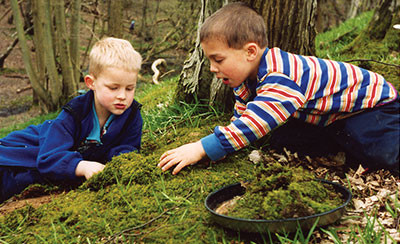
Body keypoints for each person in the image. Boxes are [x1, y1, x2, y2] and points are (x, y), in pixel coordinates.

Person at [158, 2, 399, 175]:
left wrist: (202, 148)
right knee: (282, 138)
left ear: (250, 51)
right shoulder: (244, 78)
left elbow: (253, 124)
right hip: (331, 116)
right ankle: (343, 141)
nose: (212, 68)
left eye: (218, 60)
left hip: (373, 106)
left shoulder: (280, 76)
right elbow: (244, 116)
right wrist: (228, 140)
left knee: (384, 154)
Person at [0, 37, 143, 203]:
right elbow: (49, 158)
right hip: (28, 149)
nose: (122, 96)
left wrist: (117, 163)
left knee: (32, 182)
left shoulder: (132, 115)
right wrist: (82, 166)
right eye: (113, 88)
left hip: (51, 161)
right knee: (14, 182)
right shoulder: (74, 113)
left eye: (130, 88)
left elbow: (127, 148)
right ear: (91, 83)